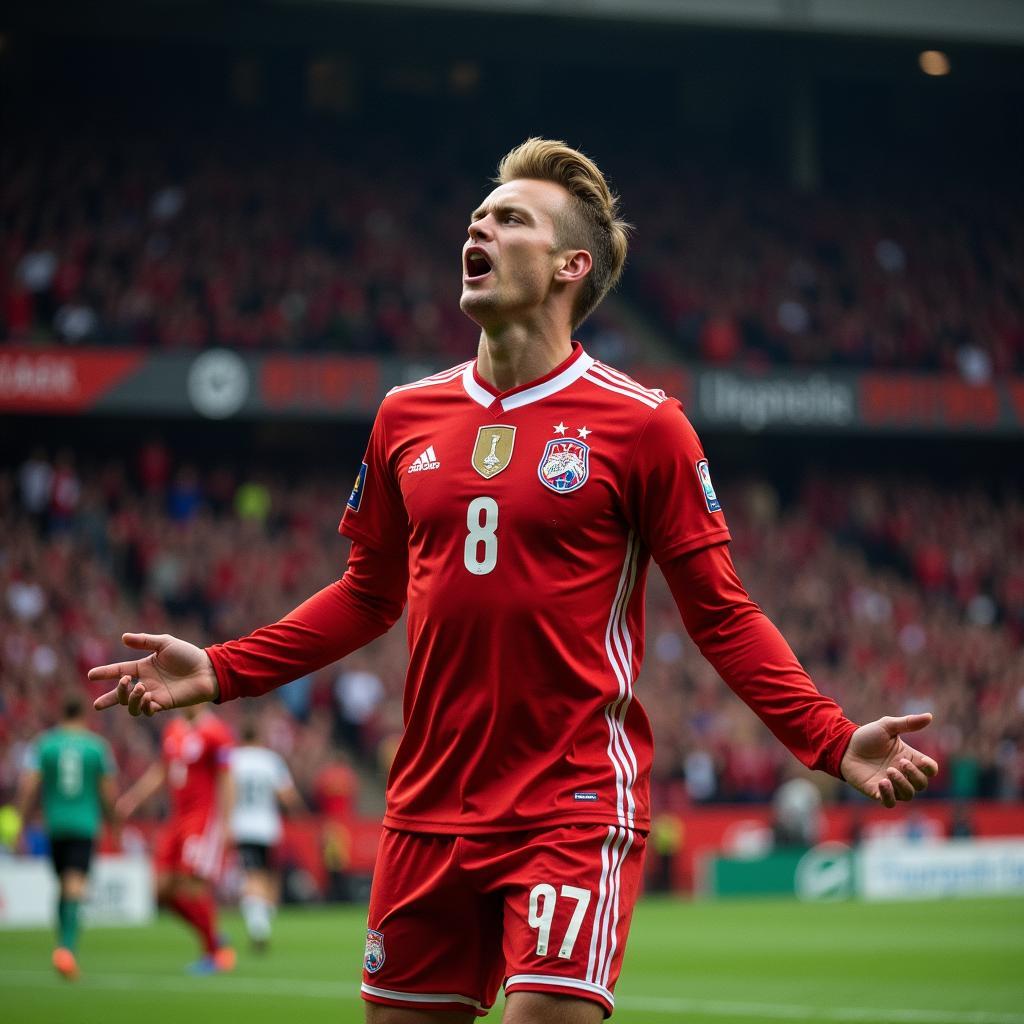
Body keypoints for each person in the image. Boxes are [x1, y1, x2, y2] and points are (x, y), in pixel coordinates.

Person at [91, 138, 940, 1023]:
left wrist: (833, 739)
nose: (480, 224)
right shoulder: (403, 415)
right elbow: (367, 595)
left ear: (571, 265)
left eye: (510, 217)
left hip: (569, 804)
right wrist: (224, 668)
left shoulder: (646, 428)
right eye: (479, 214)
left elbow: (721, 617)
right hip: (425, 809)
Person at [115, 705, 236, 973]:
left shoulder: (216, 732)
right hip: (176, 819)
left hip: (202, 819)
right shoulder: (173, 729)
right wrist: (133, 798)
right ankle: (212, 934)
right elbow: (161, 770)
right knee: (161, 890)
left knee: (192, 886)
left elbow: (227, 778)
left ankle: (214, 953)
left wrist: (227, 823)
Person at [15, 693, 118, 981]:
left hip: (54, 825)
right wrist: (114, 823)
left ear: (62, 714)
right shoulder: (97, 747)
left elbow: (28, 785)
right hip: (84, 824)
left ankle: (62, 945)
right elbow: (107, 791)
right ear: (84, 716)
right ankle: (66, 948)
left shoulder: (45, 744)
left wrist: (20, 822)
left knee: (63, 884)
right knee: (74, 885)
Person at [228, 720, 304, 951]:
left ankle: (258, 925)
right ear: (259, 738)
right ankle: (261, 920)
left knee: (252, 876)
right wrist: (300, 812)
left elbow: (225, 791)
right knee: (265, 875)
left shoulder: (233, 760)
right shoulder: (271, 760)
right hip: (268, 828)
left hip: (242, 826)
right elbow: (286, 795)